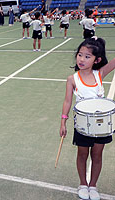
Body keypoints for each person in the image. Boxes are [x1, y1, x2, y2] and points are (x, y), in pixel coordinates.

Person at [59, 37, 115, 200]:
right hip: (82, 125)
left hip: (100, 125)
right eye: (80, 55)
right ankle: (83, 183)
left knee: (97, 155)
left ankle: (93, 185)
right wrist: (63, 121)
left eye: (87, 56)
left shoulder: (100, 74)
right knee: (82, 154)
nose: (82, 59)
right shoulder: (72, 79)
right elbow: (68, 101)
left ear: (97, 60)